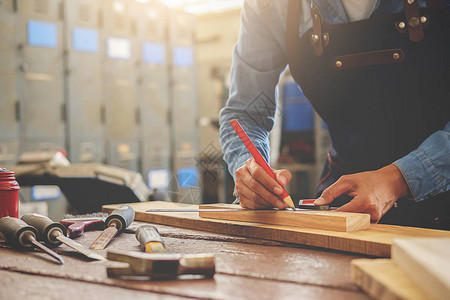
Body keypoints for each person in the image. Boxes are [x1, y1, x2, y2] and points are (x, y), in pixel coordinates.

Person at [219, 0, 450, 229]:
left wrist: (397, 178)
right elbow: (245, 113)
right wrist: (252, 173)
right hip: (340, 207)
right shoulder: (269, 6)